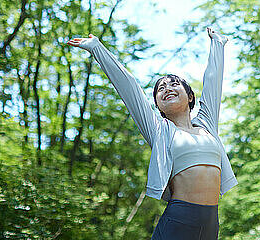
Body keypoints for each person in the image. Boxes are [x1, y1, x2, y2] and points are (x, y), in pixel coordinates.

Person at [67, 27, 237, 240]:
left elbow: (213, 83)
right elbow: (129, 88)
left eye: (174, 84)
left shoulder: (207, 124)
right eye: (160, 89)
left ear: (191, 96)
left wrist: (217, 45)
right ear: (157, 105)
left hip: (211, 222)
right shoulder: (160, 130)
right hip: (179, 219)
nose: (167, 88)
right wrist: (97, 49)